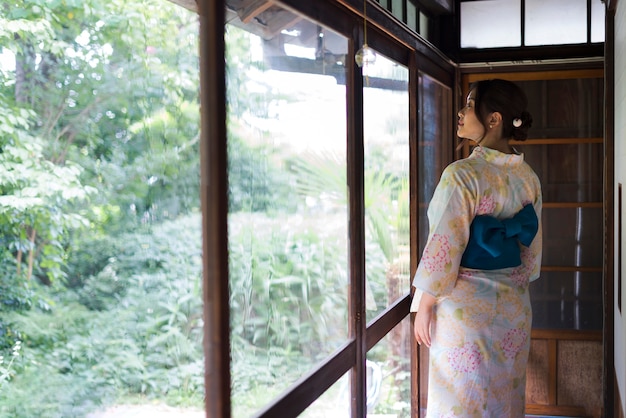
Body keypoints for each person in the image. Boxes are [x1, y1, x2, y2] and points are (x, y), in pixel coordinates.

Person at [411, 79, 542, 417]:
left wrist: (425, 303)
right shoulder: (528, 176)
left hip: (465, 310)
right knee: (504, 399)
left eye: (469, 105)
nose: (461, 112)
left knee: (461, 401)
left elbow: (445, 242)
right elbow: (530, 254)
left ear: (494, 119)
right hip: (515, 306)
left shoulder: (462, 175)